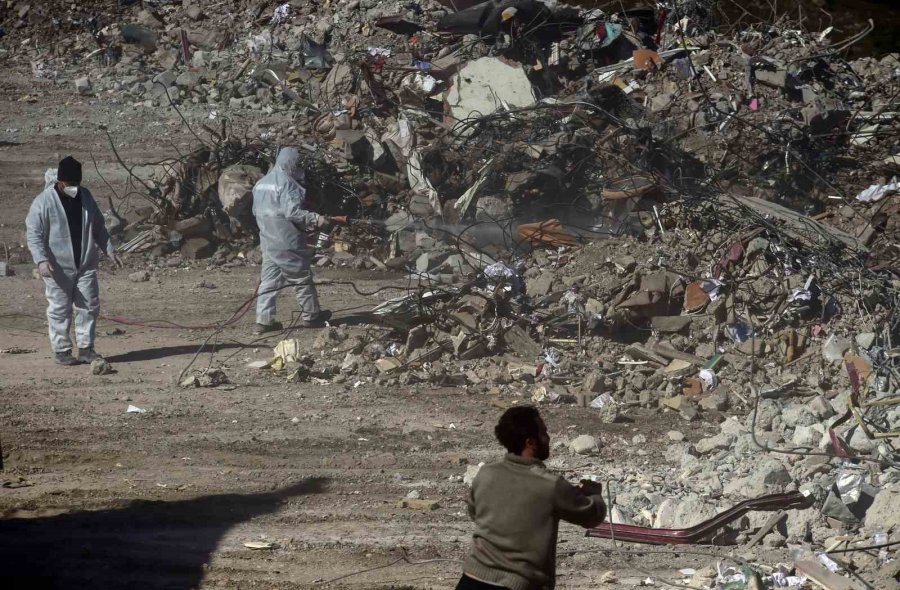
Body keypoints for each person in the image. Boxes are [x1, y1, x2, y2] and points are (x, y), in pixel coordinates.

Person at [458, 406, 606, 590]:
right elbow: (592, 515)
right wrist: (593, 493)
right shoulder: (551, 485)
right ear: (530, 442)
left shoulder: (486, 474)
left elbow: (475, 512)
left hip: (470, 579)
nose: (548, 438)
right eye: (544, 432)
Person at [26, 156, 123, 365]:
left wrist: (109, 249)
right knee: (60, 309)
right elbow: (34, 234)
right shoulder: (43, 202)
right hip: (57, 267)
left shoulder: (85, 197)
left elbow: (98, 227)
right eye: (70, 184)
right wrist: (41, 260)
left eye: (76, 184)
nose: (73, 188)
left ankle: (86, 349)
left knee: (88, 306)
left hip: (85, 264)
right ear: (60, 181)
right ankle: (62, 350)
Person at [252, 147, 331, 334]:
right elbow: (292, 212)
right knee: (301, 277)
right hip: (286, 239)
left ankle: (263, 321)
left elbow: (256, 211)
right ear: (292, 164)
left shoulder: (261, 183)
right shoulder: (287, 183)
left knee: (269, 281)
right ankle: (312, 316)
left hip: (268, 240)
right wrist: (316, 219)